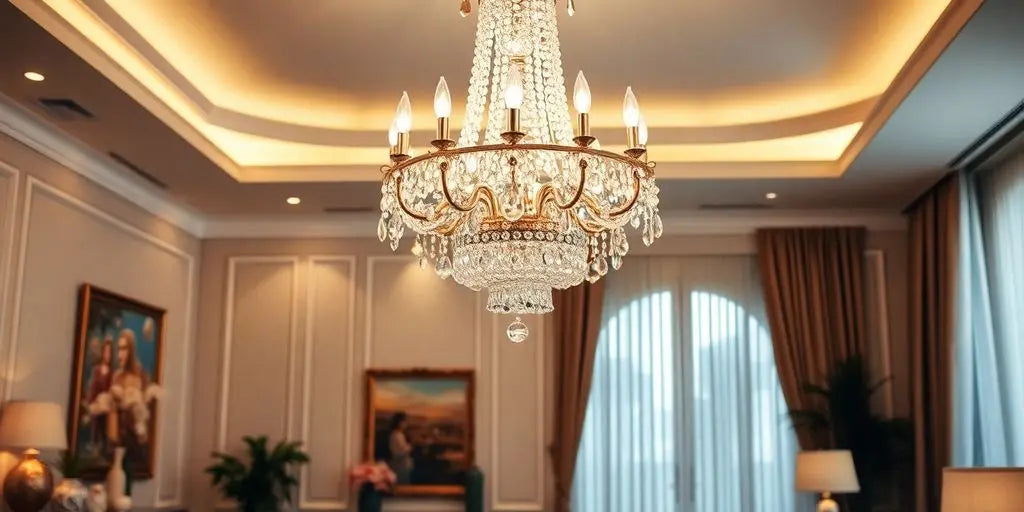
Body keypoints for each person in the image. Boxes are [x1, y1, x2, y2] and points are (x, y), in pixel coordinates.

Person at [109, 329, 151, 468]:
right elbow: (112, 411)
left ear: (131, 350)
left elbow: (144, 412)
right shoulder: (117, 376)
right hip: (119, 439)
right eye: (119, 349)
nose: (121, 354)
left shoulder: (141, 375)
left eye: (124, 349)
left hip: (136, 437)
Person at [84, 337, 114, 454]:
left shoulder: (112, 372)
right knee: (95, 422)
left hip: (107, 406)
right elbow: (93, 387)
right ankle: (94, 443)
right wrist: (91, 402)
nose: (108, 355)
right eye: (106, 352)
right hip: (96, 404)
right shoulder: (96, 370)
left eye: (110, 352)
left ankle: (104, 446)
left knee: (105, 426)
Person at [387, 412, 413, 484]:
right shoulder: (396, 435)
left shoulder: (399, 434)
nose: (406, 424)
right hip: (400, 466)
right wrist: (409, 447)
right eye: (404, 422)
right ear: (399, 422)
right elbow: (397, 452)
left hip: (403, 465)